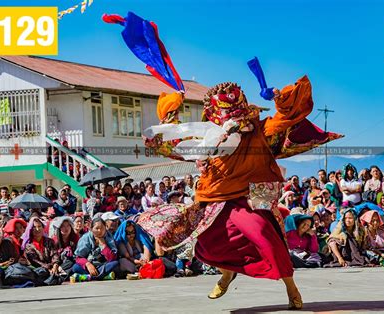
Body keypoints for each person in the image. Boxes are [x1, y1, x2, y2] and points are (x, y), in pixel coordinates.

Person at [140, 75, 342, 309]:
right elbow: (166, 142)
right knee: (208, 244)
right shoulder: (207, 138)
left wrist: (280, 97)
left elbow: (287, 117)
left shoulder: (258, 130)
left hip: (250, 197)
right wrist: (170, 112)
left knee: (265, 237)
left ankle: (291, 288)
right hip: (215, 198)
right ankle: (227, 274)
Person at [21, 217, 62, 285]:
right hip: (38, 269)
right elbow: (35, 261)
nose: (37, 229)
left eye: (39, 226)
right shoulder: (28, 245)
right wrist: (49, 268)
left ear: (43, 228)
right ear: (31, 230)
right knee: (41, 272)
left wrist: (55, 265)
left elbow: (54, 254)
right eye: (34, 227)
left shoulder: (49, 241)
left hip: (52, 266)